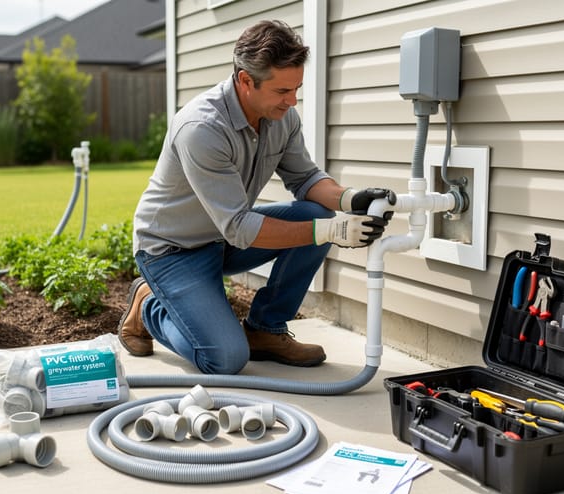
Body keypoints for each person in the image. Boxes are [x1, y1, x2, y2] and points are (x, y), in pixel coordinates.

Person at [118, 20, 395, 375]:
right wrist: (330, 233)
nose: (292, 101)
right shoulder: (201, 129)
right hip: (173, 251)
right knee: (225, 359)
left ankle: (265, 330)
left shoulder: (281, 117)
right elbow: (238, 226)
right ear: (246, 80)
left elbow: (306, 178)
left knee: (318, 214)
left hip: (223, 238)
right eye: (283, 90)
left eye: (296, 88)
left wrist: (350, 199)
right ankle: (150, 306)